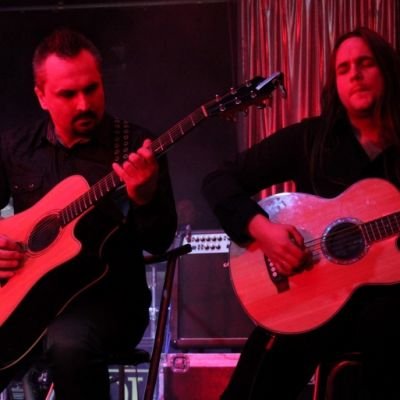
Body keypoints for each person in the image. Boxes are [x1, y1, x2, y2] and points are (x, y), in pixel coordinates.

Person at [202, 26, 400, 400]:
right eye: (343, 68)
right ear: (335, 84)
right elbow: (218, 180)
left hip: (384, 311)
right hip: (309, 296)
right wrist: (264, 231)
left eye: (366, 63)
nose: (355, 74)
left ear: (387, 71)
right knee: (260, 373)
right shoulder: (311, 139)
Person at [0, 28, 177, 399]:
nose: (84, 104)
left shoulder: (136, 148)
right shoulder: (16, 148)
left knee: (69, 345)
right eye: (68, 94)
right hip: (26, 300)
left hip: (108, 303)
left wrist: (144, 198)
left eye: (91, 89)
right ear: (41, 96)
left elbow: (160, 240)